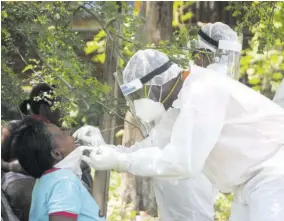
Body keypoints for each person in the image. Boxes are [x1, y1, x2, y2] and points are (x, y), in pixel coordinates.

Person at [80, 43, 284, 221]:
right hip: (246, 183)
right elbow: (152, 146)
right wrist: (107, 151)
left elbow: (183, 162)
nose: (136, 103)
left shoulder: (202, 92)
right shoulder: (177, 104)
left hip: (272, 173)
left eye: (138, 95)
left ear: (156, 85)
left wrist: (119, 161)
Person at [12, 117, 104, 221]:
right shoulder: (64, 182)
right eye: (63, 134)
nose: (70, 134)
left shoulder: (46, 180)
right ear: (57, 153)